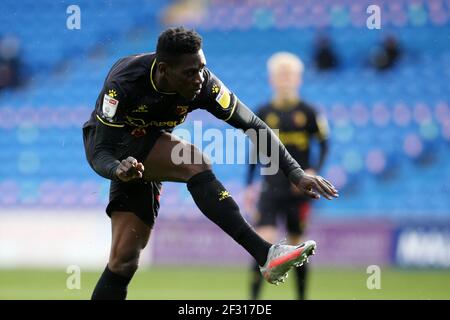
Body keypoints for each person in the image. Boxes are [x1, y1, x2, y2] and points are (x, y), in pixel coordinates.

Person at [82, 27, 338, 300]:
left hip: (149, 146)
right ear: (164, 70)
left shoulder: (205, 84)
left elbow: (253, 125)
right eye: (190, 73)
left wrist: (296, 174)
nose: (199, 78)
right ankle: (265, 254)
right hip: (115, 146)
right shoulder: (124, 83)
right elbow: (99, 152)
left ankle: (266, 255)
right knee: (194, 162)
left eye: (202, 68)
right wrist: (117, 169)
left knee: (124, 260)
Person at [245, 52, 329, 300]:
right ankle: (252, 301)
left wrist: (313, 170)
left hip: (298, 190)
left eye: (290, 75)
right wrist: (249, 185)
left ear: (298, 79)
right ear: (271, 79)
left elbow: (324, 144)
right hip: (270, 187)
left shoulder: (310, 112)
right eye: (280, 74)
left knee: (298, 250)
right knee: (262, 246)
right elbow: (255, 150)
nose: (285, 79)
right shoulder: (263, 112)